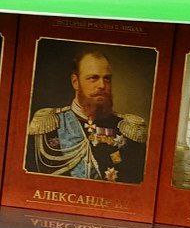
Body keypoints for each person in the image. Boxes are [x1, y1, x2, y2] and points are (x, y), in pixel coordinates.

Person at [27, 49, 147, 182]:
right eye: (93, 78)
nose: (102, 85)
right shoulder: (47, 125)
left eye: (107, 78)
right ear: (75, 82)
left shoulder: (128, 129)